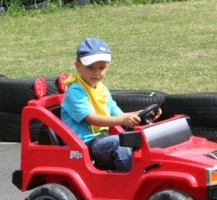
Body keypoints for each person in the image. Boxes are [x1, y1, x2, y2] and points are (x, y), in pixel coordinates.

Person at [61, 38, 159, 172]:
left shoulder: (101, 89)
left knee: (140, 138)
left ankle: (151, 169)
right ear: (78, 66)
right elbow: (92, 118)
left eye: (101, 68)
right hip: (83, 145)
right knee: (118, 143)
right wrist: (123, 120)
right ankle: (132, 177)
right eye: (91, 68)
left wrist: (141, 112)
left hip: (102, 139)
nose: (96, 73)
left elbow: (118, 114)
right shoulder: (76, 90)